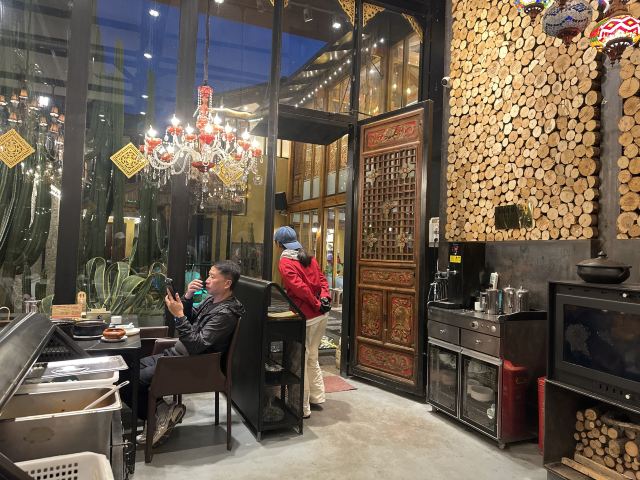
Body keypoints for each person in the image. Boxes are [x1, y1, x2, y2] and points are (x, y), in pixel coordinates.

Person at [123, 260, 245, 447]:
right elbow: (191, 319)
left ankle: (157, 416)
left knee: (130, 382)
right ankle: (162, 411)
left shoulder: (226, 313)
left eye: (212, 277)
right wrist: (187, 297)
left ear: (227, 283)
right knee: (126, 371)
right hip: (177, 356)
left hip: (195, 365)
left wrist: (179, 315)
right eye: (208, 275)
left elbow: (197, 345)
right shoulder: (211, 300)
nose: (206, 280)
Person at [274, 226, 331, 419]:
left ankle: (301, 407)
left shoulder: (285, 261)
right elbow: (322, 280)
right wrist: (325, 299)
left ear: (278, 244)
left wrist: (316, 303)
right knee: (312, 355)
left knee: (299, 361)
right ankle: (316, 396)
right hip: (322, 315)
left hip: (306, 315)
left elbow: (299, 288)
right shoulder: (308, 257)